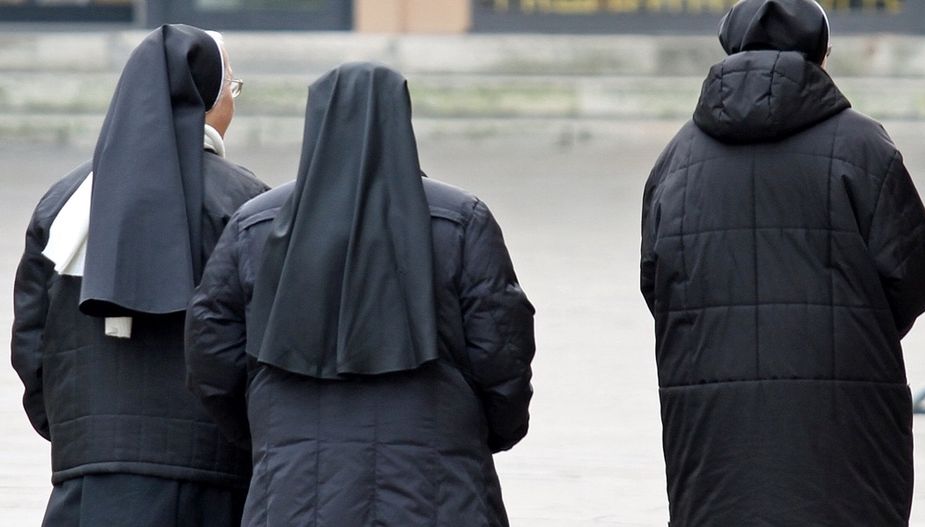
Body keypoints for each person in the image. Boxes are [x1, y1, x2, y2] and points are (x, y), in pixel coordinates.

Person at [185, 62, 535, 527]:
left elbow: (211, 352)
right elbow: (503, 350)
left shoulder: (256, 224)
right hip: (440, 487)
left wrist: (264, 431)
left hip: (293, 488)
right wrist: (479, 434)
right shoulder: (460, 219)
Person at [640, 0, 925, 525]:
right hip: (846, 413)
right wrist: (855, 323)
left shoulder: (676, 160)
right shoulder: (865, 147)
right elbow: (910, 272)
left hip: (712, 419)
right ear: (822, 55)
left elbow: (656, 284)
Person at [11, 24, 268, 526]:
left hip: (87, 480)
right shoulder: (247, 203)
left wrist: (75, 434)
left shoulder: (64, 202)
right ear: (204, 98)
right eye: (231, 89)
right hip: (209, 479)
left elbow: (31, 343)